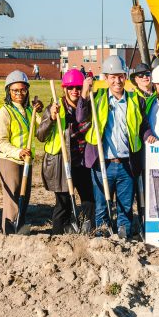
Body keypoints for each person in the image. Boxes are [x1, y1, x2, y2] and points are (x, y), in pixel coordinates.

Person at [77, 55, 147, 239]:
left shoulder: (134, 100)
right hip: (102, 163)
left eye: (120, 76)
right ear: (106, 78)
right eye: (113, 77)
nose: (117, 81)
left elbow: (143, 127)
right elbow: (80, 118)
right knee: (101, 207)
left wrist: (151, 137)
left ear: (125, 76)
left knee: (125, 206)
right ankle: (103, 235)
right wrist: (85, 92)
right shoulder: (97, 98)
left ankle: (124, 234)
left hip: (126, 163)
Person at [35, 68, 94, 234]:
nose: (74, 91)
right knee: (63, 204)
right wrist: (52, 120)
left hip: (84, 162)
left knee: (90, 201)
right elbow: (40, 136)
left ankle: (87, 231)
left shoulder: (89, 106)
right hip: (62, 163)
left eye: (77, 87)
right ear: (64, 89)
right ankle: (58, 235)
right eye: (70, 88)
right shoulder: (55, 107)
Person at [0, 71, 44, 233]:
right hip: (10, 160)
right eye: (15, 90)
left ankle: (20, 226)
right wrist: (18, 152)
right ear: (9, 91)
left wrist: (39, 112)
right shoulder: (4, 112)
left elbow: (40, 129)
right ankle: (8, 230)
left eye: (23, 90)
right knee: (12, 198)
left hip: (26, 160)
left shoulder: (29, 110)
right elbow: (0, 142)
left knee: (24, 196)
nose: (19, 94)